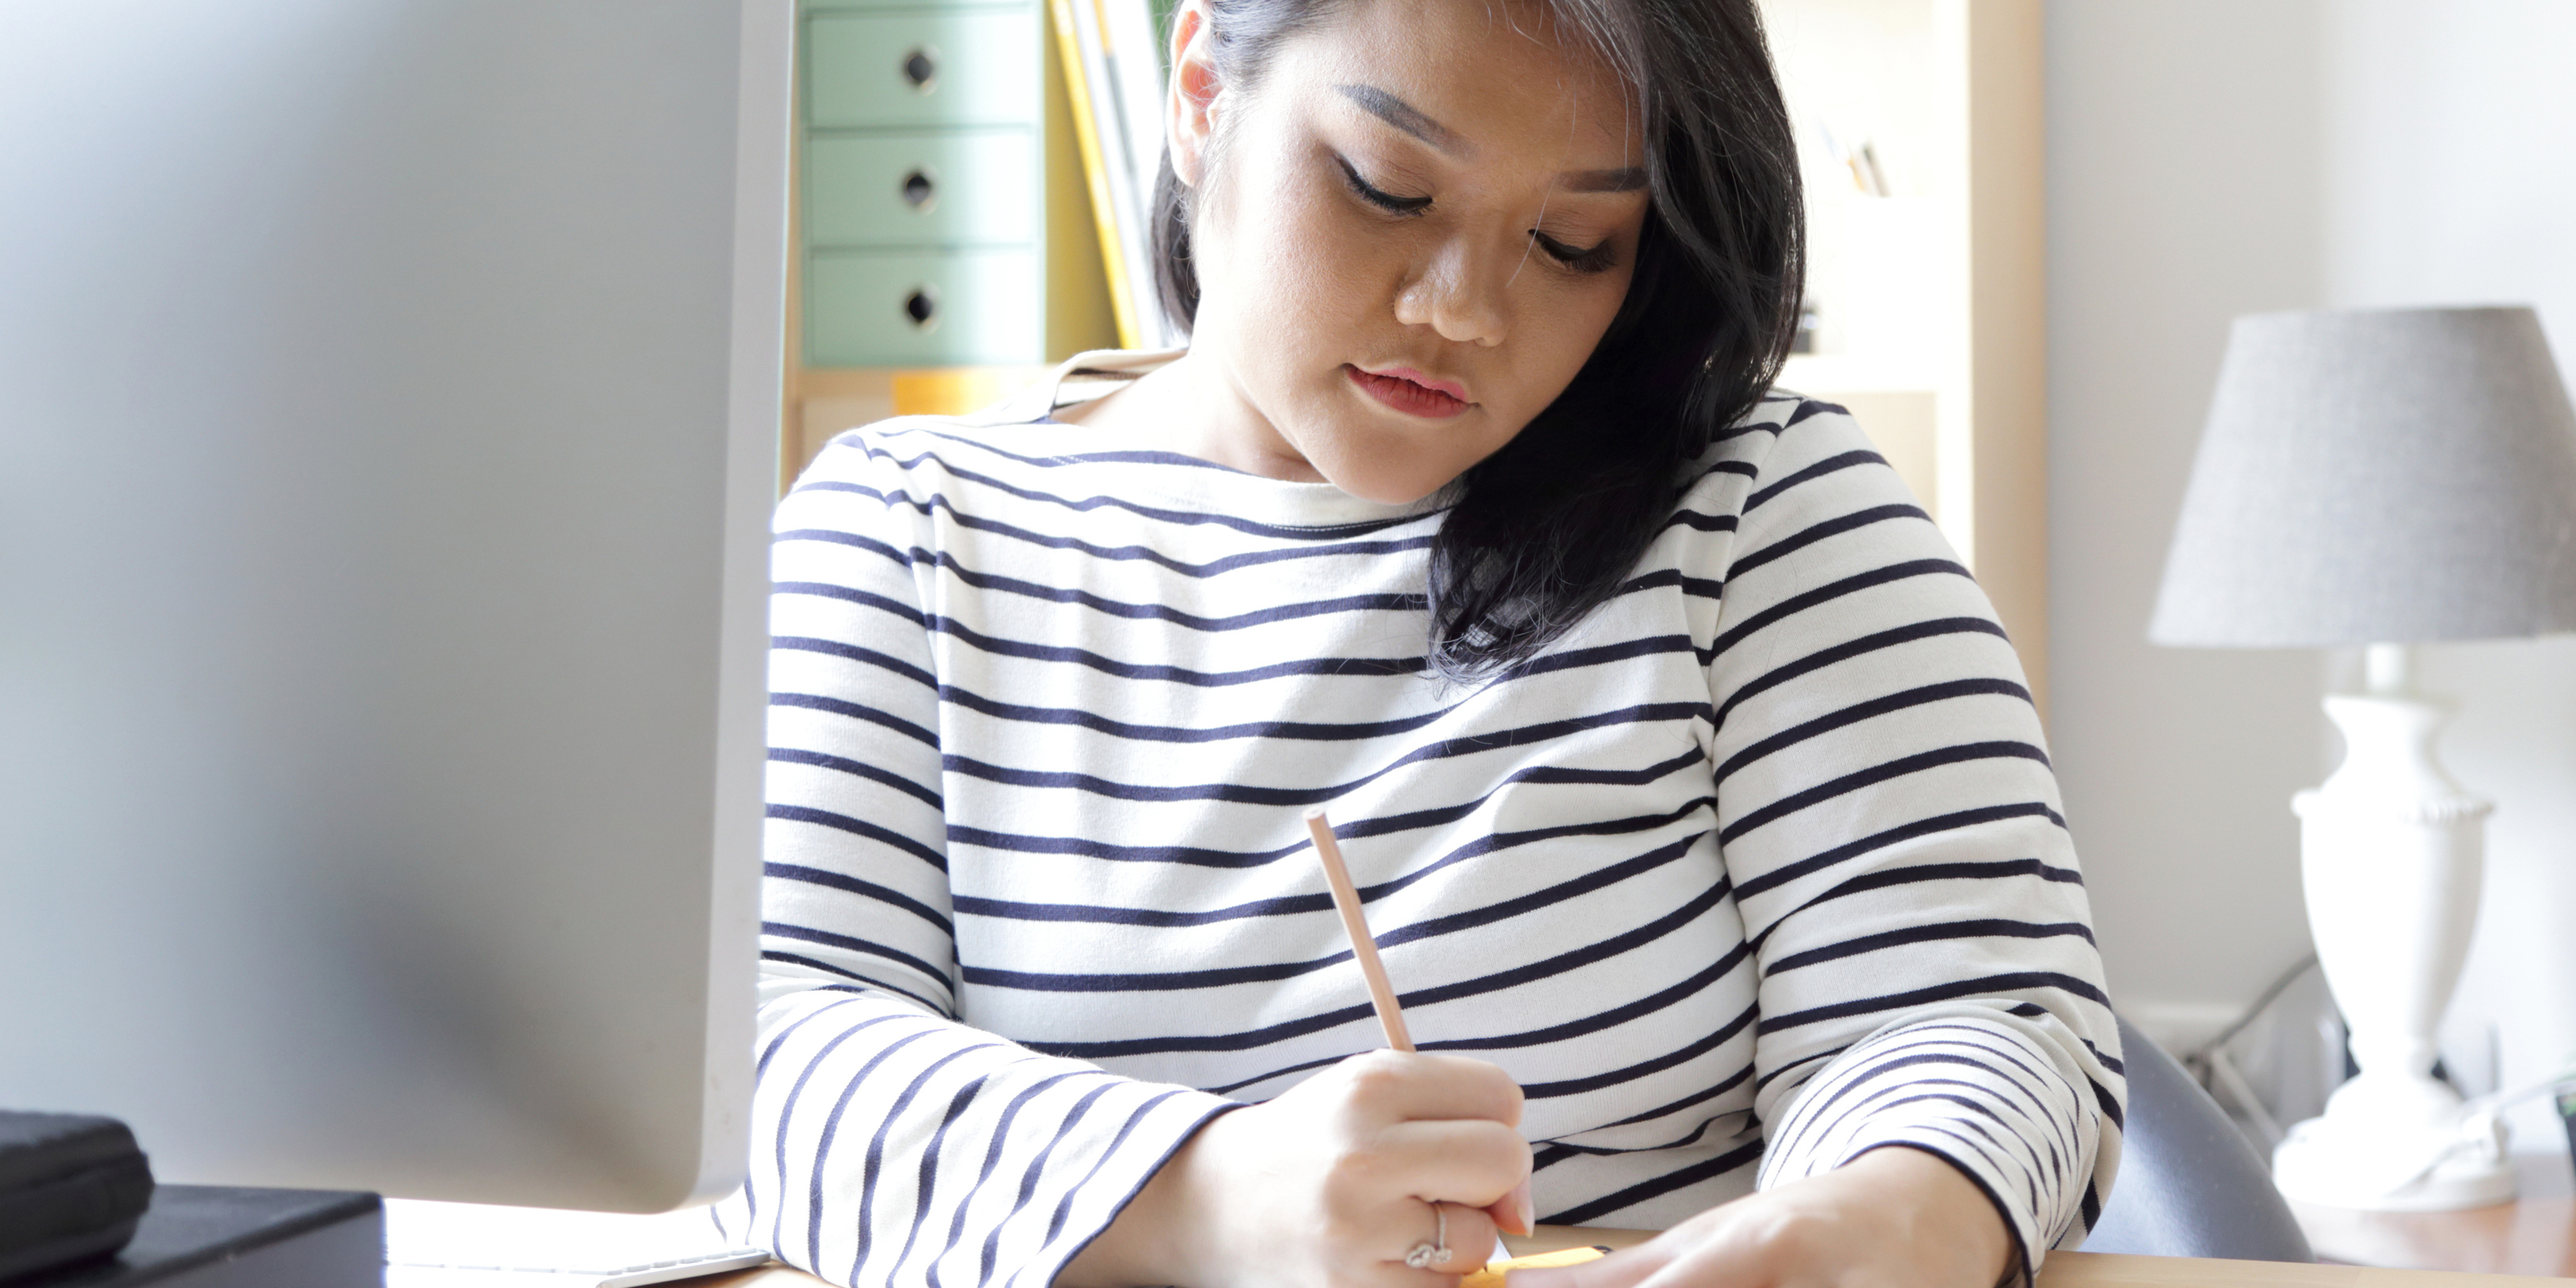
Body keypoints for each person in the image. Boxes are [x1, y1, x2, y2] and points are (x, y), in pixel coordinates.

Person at [718, 0, 2122, 1284]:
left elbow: (1981, 1023)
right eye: (1388, 187)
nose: (1464, 308)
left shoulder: (1761, 513)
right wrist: (1211, 1200)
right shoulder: (907, 529)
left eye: (1575, 244)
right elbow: (756, 1064)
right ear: (1204, 91)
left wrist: (1873, 1227)